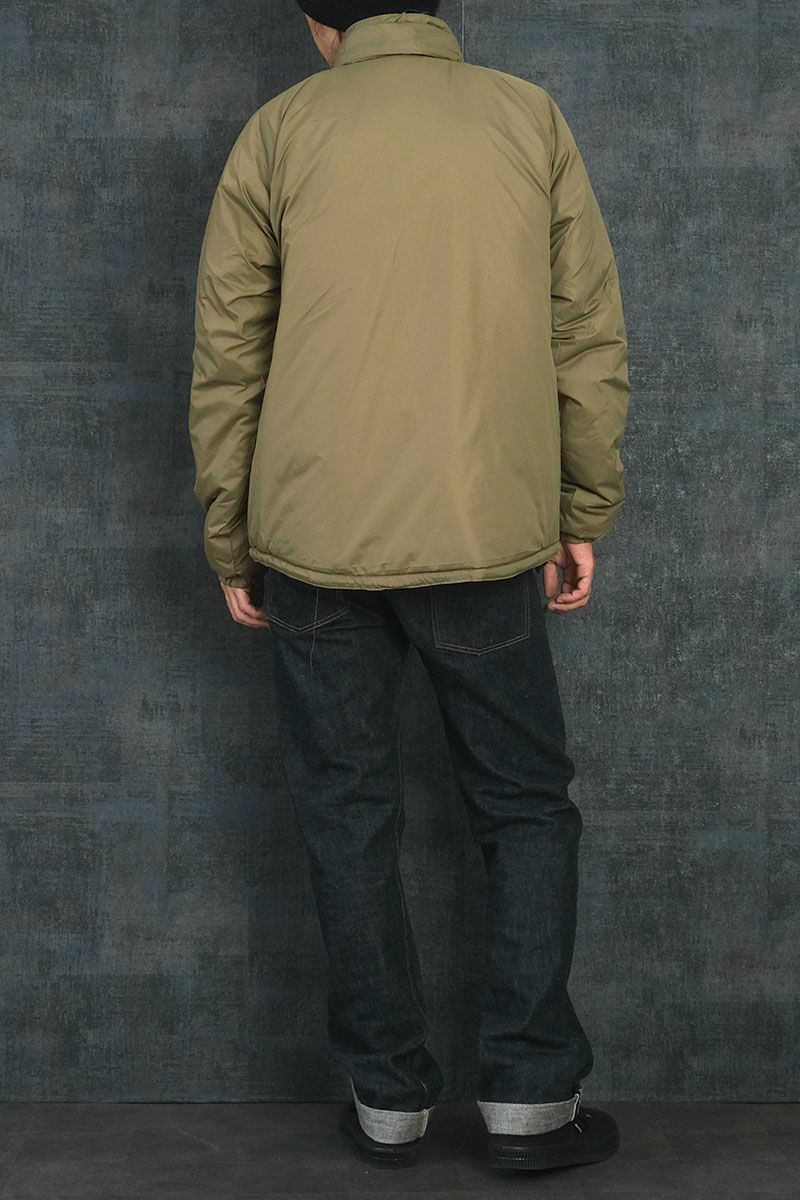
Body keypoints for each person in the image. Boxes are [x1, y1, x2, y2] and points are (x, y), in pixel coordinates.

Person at [188, 0, 630, 1175]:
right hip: (483, 534)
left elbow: (228, 354)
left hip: (311, 541)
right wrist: (581, 507)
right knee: (522, 806)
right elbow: (583, 330)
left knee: (345, 811)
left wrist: (231, 537)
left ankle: (387, 1102)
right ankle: (530, 1103)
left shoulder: (279, 130)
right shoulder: (525, 118)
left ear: (314, 18)